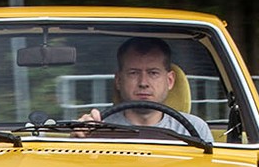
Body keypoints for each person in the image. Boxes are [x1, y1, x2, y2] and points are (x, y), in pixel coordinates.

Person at [84, 37, 214, 141]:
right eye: (133, 73)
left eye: (153, 73)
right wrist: (80, 135)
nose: (143, 83)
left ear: (170, 81)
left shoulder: (195, 130)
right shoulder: (98, 129)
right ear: (118, 81)